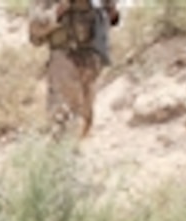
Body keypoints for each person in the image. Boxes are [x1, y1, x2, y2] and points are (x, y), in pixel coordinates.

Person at [28, 0, 120, 139]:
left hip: (90, 63)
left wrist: (109, 8)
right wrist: (61, 9)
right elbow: (35, 31)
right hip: (64, 62)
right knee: (63, 120)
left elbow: (112, 18)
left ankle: (76, 155)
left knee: (85, 122)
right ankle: (61, 157)